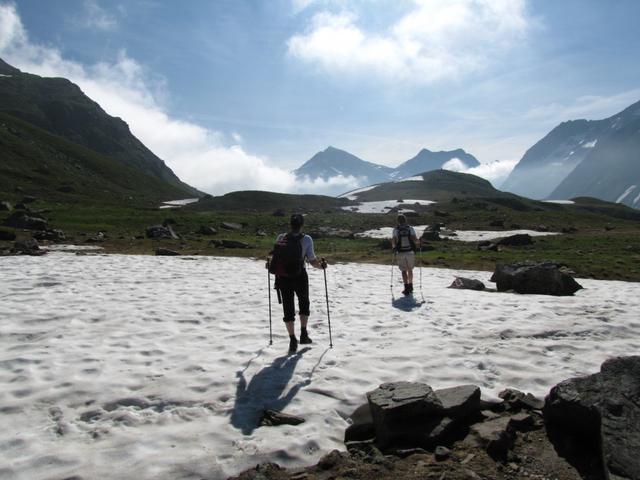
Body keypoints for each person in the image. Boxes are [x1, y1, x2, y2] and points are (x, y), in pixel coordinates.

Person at [269, 214, 327, 354]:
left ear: (290, 224)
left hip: (283, 277)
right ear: (302, 225)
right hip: (300, 275)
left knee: (288, 308)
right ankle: (303, 334)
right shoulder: (307, 239)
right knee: (304, 303)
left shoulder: (281, 237)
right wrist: (322, 266)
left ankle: (292, 339)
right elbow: (312, 261)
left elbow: (274, 258)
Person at [391, 214, 419, 295]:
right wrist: (419, 242)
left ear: (398, 221)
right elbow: (415, 240)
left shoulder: (396, 230)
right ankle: (411, 286)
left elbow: (394, 241)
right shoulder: (410, 228)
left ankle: (406, 288)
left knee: (403, 270)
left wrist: (393, 248)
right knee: (410, 269)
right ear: (405, 220)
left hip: (400, 252)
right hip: (410, 252)